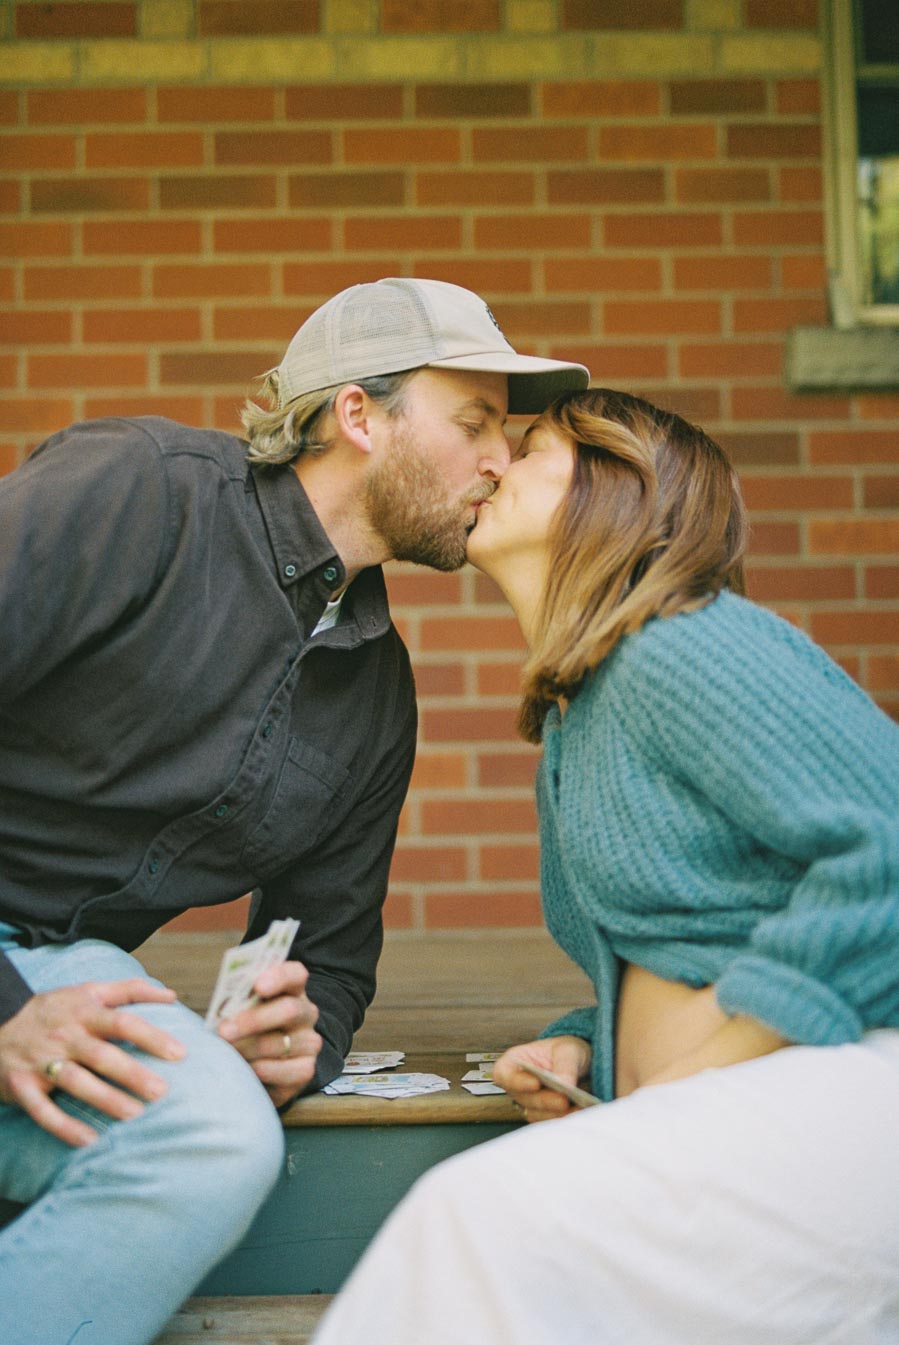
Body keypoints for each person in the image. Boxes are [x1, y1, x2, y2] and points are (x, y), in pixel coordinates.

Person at [0, 276, 589, 1345]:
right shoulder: (137, 489)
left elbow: (336, 958)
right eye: (474, 425)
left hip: (59, 976)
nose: (501, 460)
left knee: (218, 1135)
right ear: (358, 415)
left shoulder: (377, 694)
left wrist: (286, 1044)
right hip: (14, 991)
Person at [310, 387, 899, 1345]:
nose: (493, 462)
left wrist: (700, 1075)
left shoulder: (684, 642)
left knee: (466, 1223)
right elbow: (698, 930)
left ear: (618, 492)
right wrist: (589, 1040)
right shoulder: (583, 712)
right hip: (740, 1120)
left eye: (531, 446)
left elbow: (890, 853)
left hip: (850, 1101)